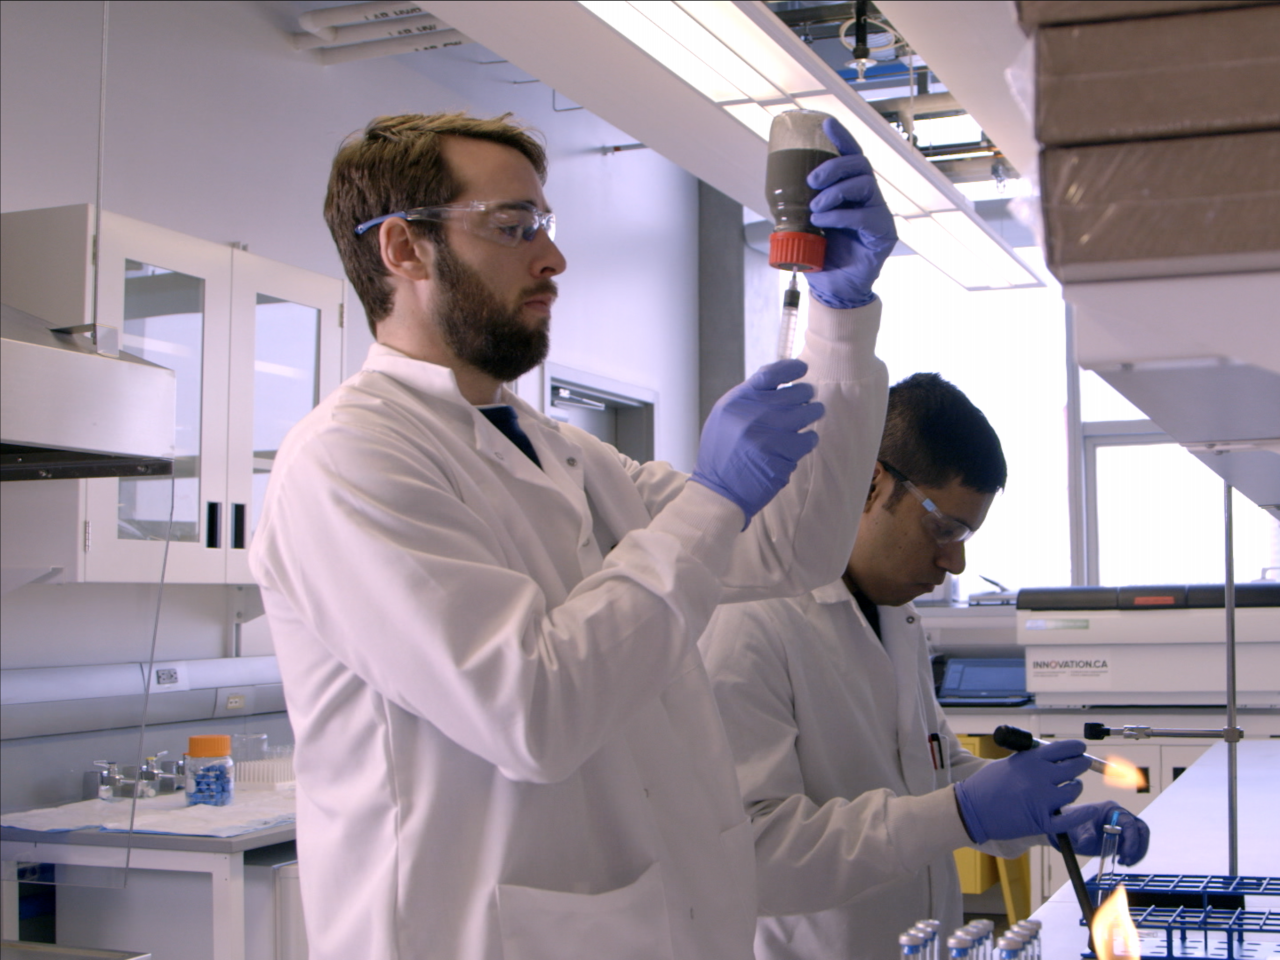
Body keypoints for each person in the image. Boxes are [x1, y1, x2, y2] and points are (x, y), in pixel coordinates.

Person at [249, 112, 898, 960]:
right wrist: (711, 500)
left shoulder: (556, 448)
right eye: (514, 227)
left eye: (546, 227)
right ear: (403, 250)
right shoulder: (347, 460)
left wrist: (838, 317)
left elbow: (793, 548)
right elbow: (532, 710)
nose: (552, 259)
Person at [698, 373, 1150, 960]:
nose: (955, 561)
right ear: (869, 482)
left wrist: (1045, 820)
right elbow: (753, 854)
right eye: (944, 528)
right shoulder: (748, 617)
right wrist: (960, 813)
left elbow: (930, 770)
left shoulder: (897, 616)